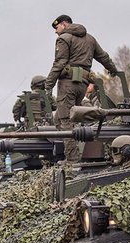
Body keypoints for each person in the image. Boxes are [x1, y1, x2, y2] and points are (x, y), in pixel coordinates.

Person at [45, 14, 119, 162]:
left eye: (57, 27)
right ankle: (77, 154)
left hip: (68, 84)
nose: (55, 31)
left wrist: (48, 85)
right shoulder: (90, 38)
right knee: (73, 118)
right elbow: (102, 56)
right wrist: (113, 69)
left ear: (65, 24)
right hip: (83, 85)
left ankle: (72, 160)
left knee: (64, 120)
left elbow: (59, 63)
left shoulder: (64, 39)